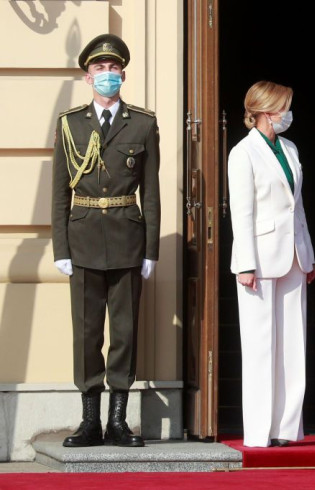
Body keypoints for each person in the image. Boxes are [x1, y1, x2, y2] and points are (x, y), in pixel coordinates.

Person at [52, 33, 161, 448]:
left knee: (125, 331)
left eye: (113, 69)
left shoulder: (145, 123)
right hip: (81, 239)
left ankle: (118, 420)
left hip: (127, 239)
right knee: (86, 333)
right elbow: (59, 191)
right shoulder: (69, 124)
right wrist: (60, 248)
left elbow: (150, 191)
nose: (107, 75)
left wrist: (150, 249)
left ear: (124, 74)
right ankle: (89, 421)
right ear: (87, 76)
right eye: (99, 69)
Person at [228, 80, 315, 448]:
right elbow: (241, 213)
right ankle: (259, 431)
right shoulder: (243, 152)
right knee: (260, 345)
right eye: (284, 107)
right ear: (266, 111)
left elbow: (298, 208)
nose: (288, 114)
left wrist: (308, 255)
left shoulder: (290, 147)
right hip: (260, 259)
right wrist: (244, 263)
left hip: (294, 255)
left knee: (293, 344)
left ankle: (286, 428)